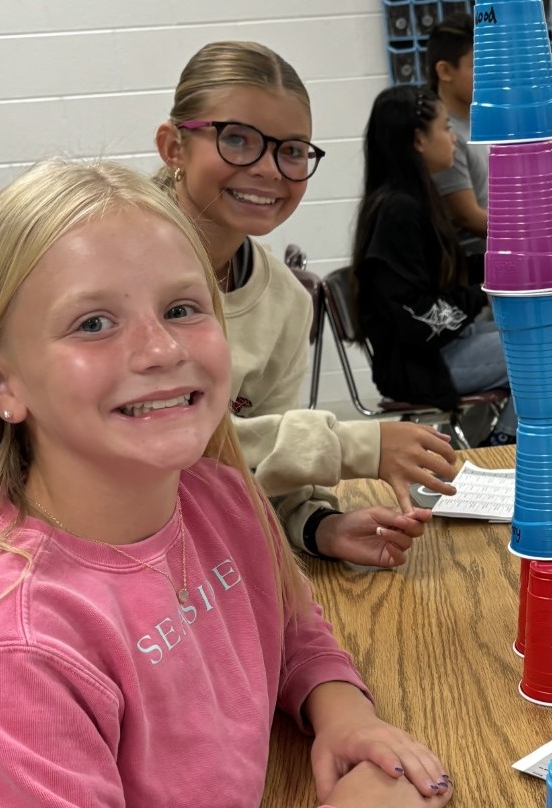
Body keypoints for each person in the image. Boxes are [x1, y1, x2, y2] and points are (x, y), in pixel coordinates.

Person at [0, 160, 452, 808]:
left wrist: (341, 709)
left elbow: (292, 626)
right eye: (93, 322)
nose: (160, 348)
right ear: (2, 382)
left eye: (181, 308)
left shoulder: (218, 495)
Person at [154, 41, 455, 566]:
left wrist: (317, 524)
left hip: (208, 564)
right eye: (238, 139)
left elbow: (262, 468)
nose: (270, 169)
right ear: (173, 146)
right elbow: (169, 447)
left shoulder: (286, 301)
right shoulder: (119, 267)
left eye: (292, 150)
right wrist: (357, 446)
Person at [350, 85, 516, 447]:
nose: (453, 137)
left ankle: (500, 437)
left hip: (442, 349)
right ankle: (504, 442)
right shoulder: (398, 211)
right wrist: (483, 293)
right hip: (421, 365)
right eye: (444, 127)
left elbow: (447, 273)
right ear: (418, 141)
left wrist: (505, 267)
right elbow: (418, 314)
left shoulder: (417, 199)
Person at [425, 12, 487, 278]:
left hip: (497, 260)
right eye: (477, 66)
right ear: (445, 71)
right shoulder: (443, 137)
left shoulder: (481, 123)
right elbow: (468, 217)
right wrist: (528, 232)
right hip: (473, 274)